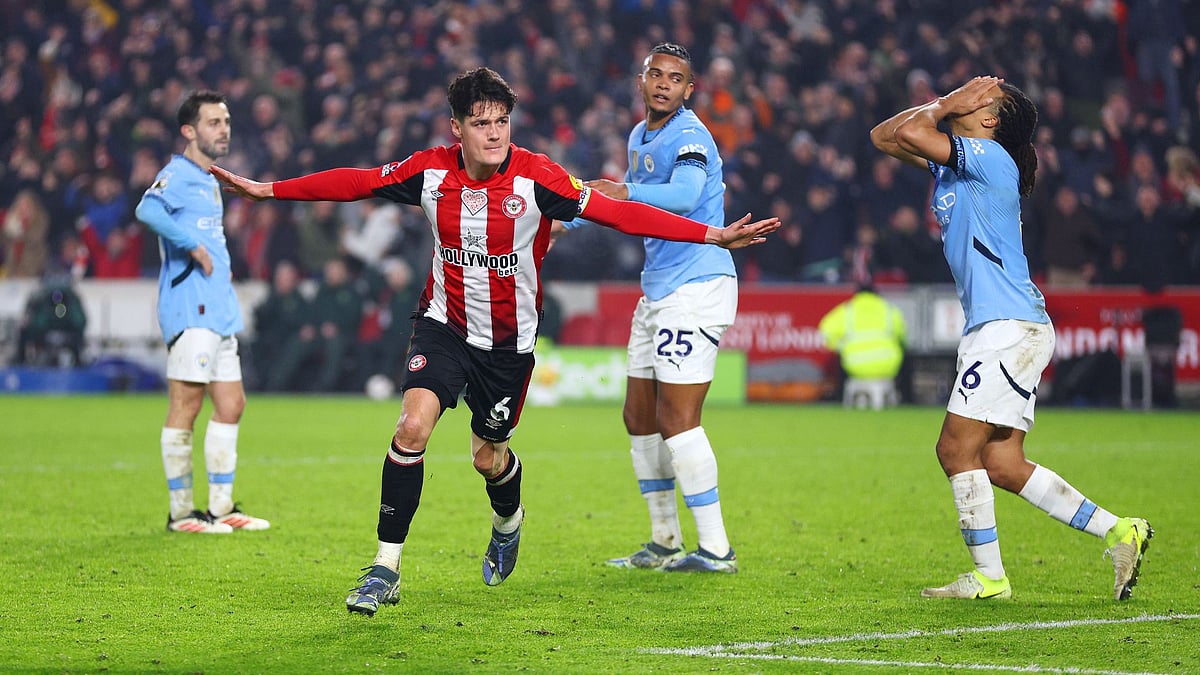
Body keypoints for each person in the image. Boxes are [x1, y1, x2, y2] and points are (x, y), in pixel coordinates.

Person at [210, 66, 778, 616]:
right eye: (481, 123)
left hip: (508, 346)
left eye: (501, 121)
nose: (494, 133)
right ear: (455, 128)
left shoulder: (538, 178)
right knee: (411, 427)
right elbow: (357, 182)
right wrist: (270, 191)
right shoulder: (430, 172)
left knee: (488, 455)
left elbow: (621, 214)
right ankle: (385, 567)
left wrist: (713, 234)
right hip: (444, 326)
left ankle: (508, 519)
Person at [870, 76, 1151, 601]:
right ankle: (1119, 530)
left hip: (1006, 327)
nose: (965, 94)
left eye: (980, 97)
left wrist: (944, 105)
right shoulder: (958, 161)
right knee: (1000, 462)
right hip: (1007, 326)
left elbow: (911, 129)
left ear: (989, 120)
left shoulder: (989, 157)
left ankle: (989, 578)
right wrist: (946, 104)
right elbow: (884, 137)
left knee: (954, 450)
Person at [558, 43, 742, 573]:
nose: (663, 83)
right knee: (639, 418)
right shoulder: (640, 135)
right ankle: (664, 539)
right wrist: (572, 214)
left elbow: (684, 197)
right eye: (655, 74)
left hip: (696, 288)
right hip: (658, 289)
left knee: (677, 419)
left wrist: (621, 190)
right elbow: (626, 206)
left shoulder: (690, 135)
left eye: (675, 78)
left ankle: (716, 548)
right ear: (641, 81)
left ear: (690, 89)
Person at [134, 90, 270, 535]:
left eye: (226, 120)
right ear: (189, 131)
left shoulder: (210, 179)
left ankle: (221, 507)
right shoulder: (177, 174)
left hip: (218, 310)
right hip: (190, 307)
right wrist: (190, 245)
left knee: (231, 404)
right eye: (213, 122)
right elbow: (147, 208)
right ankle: (180, 514)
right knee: (186, 405)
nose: (224, 129)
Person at [817, 283, 907, 404]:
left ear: (857, 295)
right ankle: (907, 399)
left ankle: (840, 399)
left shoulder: (848, 310)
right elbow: (903, 337)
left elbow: (825, 331)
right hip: (887, 366)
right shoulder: (889, 310)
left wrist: (840, 347)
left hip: (855, 365)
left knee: (839, 362)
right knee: (906, 358)